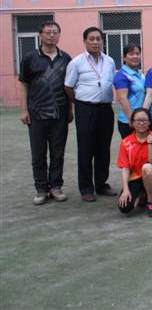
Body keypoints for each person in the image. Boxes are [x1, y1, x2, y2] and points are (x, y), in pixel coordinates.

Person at [19, 20, 72, 205]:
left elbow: (69, 87)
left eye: (55, 32)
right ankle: (41, 189)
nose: (51, 35)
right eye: (48, 32)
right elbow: (24, 85)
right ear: (40, 35)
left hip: (60, 114)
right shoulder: (30, 58)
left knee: (58, 153)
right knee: (38, 153)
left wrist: (70, 110)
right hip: (36, 113)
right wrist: (24, 110)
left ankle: (56, 187)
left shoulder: (66, 58)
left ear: (59, 35)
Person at [64, 27, 116, 202]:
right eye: (91, 39)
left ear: (102, 41)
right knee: (86, 149)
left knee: (103, 148)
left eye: (98, 39)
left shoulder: (110, 61)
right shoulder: (77, 62)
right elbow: (68, 86)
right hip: (85, 109)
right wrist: (79, 102)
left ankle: (101, 184)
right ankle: (86, 187)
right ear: (85, 41)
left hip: (105, 109)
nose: (95, 42)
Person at [116, 108, 152, 217]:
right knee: (125, 207)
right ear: (132, 123)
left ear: (149, 122)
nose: (141, 123)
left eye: (144, 120)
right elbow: (125, 168)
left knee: (147, 167)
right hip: (136, 178)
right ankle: (142, 194)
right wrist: (125, 189)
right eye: (138, 120)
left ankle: (151, 202)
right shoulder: (126, 142)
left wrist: (150, 143)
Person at [114, 43, 145, 138]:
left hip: (142, 120)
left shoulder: (140, 74)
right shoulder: (122, 75)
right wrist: (132, 120)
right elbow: (122, 99)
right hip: (128, 122)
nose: (135, 56)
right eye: (131, 54)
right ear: (124, 58)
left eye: (137, 54)